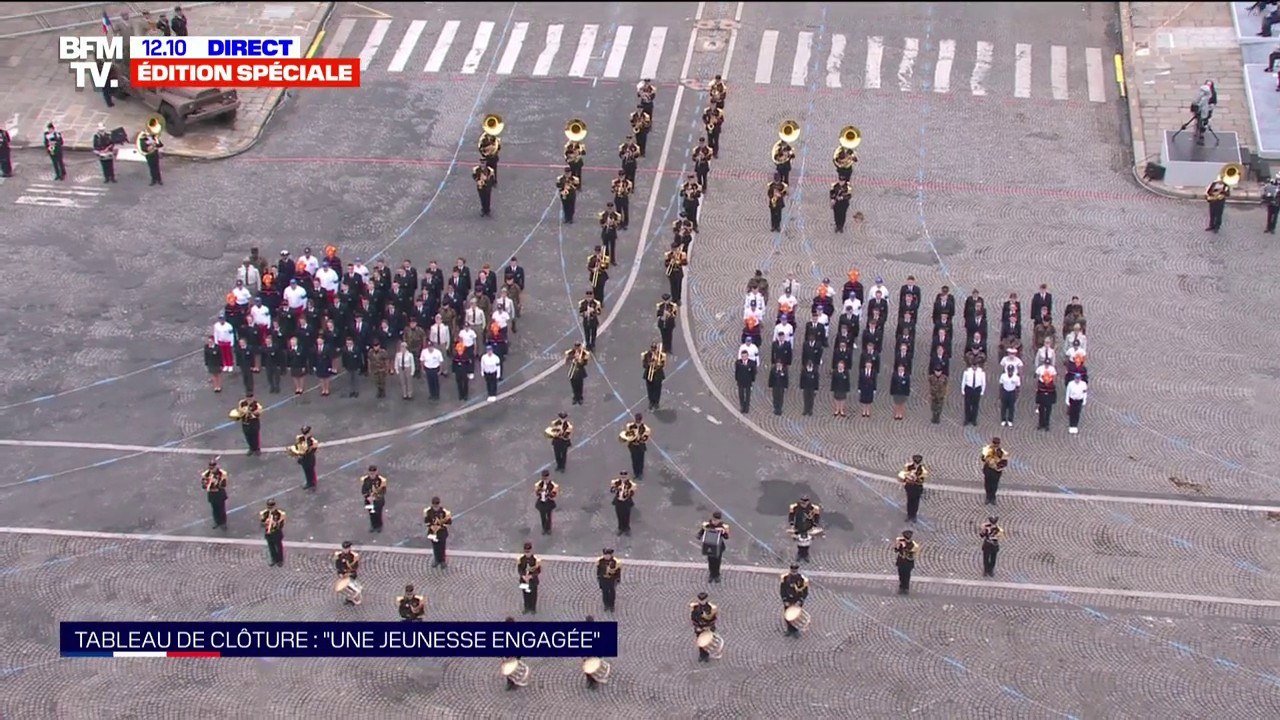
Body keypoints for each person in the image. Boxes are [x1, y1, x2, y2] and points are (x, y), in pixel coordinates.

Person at [698, 512, 730, 582]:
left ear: (719, 520)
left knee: (717, 562)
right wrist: (699, 536)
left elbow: (726, 537)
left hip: (718, 547)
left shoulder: (723, 527)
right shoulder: (707, 525)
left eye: (716, 520)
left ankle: (717, 575)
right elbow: (701, 532)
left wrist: (723, 532)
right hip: (709, 546)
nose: (714, 522)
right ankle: (711, 574)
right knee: (711, 561)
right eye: (714, 520)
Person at [780, 564, 810, 636]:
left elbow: (805, 592)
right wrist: (785, 600)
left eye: (795, 571)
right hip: (788, 600)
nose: (793, 573)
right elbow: (782, 590)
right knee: (788, 615)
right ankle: (789, 629)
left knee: (796, 616)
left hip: (797, 601)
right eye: (792, 571)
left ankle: (795, 630)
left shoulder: (802, 580)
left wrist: (800, 601)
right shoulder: (785, 578)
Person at [897, 455, 928, 522]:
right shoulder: (908, 466)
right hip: (909, 486)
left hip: (917, 487)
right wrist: (906, 478)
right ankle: (909, 514)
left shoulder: (923, 470)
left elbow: (921, 481)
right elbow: (903, 473)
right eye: (915, 462)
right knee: (910, 501)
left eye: (918, 462)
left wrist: (915, 479)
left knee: (916, 502)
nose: (916, 463)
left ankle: (914, 515)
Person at [423, 497, 452, 567]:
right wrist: (431, 526)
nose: (436, 506)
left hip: (441, 532)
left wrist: (441, 526)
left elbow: (449, 522)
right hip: (433, 532)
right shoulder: (428, 512)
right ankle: (436, 559)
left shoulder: (444, 512)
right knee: (435, 546)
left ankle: (442, 561)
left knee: (442, 547)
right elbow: (426, 521)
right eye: (434, 505)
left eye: (437, 504)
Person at [980, 437, 1009, 505]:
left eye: (997, 443)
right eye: (994, 443)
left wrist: (997, 466)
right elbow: (982, 458)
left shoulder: (1002, 452)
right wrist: (987, 460)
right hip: (988, 469)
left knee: (994, 485)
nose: (995, 444)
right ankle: (988, 497)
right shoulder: (987, 449)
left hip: (996, 471)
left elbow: (1005, 462)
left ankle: (993, 497)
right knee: (987, 484)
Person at [690, 592, 718, 662]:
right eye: (701, 600)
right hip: (700, 628)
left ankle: (707, 655)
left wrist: (709, 626)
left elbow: (714, 618)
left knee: (707, 642)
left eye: (703, 600)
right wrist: (698, 626)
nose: (702, 601)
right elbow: (693, 618)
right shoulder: (695, 608)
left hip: (708, 627)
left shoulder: (711, 608)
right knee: (701, 642)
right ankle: (701, 655)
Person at [201, 460, 229, 529]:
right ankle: (217, 521)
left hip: (219, 493)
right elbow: (204, 486)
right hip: (212, 493)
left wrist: (216, 481)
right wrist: (206, 483)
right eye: (210, 467)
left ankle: (223, 522)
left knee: (221, 508)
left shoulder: (222, 473)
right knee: (215, 509)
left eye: (213, 467)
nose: (212, 469)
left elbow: (224, 485)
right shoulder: (206, 474)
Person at [359, 465, 388, 533]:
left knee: (378, 513)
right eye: (371, 472)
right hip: (369, 500)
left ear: (376, 472)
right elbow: (363, 490)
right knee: (371, 514)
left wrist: (375, 497)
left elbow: (383, 491)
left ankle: (379, 526)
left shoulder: (381, 480)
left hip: (378, 501)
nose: (372, 474)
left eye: (373, 472)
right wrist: (367, 497)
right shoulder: (365, 480)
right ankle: (373, 525)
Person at [259, 499, 286, 567]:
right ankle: (273, 559)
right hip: (268, 533)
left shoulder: (280, 514)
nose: (270, 509)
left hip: (276, 533)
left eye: (271, 507)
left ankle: (280, 560)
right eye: (269, 507)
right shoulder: (265, 513)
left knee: (279, 547)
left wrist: (275, 524)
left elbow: (282, 525)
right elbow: (261, 524)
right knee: (271, 547)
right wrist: (265, 523)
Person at [517, 542, 542, 614]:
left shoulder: (535, 560)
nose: (527, 553)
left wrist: (531, 576)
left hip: (533, 581)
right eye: (526, 552)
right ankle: (526, 608)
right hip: (524, 580)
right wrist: (523, 576)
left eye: (528, 552)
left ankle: (533, 608)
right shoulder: (521, 559)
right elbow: (519, 569)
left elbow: (538, 570)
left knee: (533, 595)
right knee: (525, 594)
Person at [533, 470, 559, 534]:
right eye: (544, 476)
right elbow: (537, 493)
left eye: (546, 476)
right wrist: (540, 491)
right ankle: (544, 528)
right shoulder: (538, 484)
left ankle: (549, 528)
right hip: (542, 502)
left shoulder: (552, 484)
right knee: (543, 516)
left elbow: (555, 493)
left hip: (548, 502)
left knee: (549, 516)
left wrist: (550, 494)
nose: (545, 478)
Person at [961, 361, 986, 425]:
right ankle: (967, 419)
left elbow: (983, 382)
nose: (974, 367)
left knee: (975, 405)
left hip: (977, 389)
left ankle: (974, 419)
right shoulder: (967, 372)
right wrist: (963, 390)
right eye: (973, 366)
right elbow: (964, 381)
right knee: (967, 404)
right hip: (969, 388)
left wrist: (982, 391)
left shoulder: (981, 372)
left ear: (977, 366)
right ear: (971, 366)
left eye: (976, 366)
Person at [998, 362, 1021, 427]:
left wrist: (1016, 396)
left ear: (1013, 371)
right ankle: (1003, 419)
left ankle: (1010, 420)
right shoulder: (1003, 376)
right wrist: (1000, 395)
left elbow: (1018, 387)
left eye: (1011, 371)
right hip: (1005, 392)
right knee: (1003, 407)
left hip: (1012, 392)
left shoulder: (1016, 377)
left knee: (1011, 407)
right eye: (1009, 370)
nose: (1010, 372)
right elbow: (1001, 385)